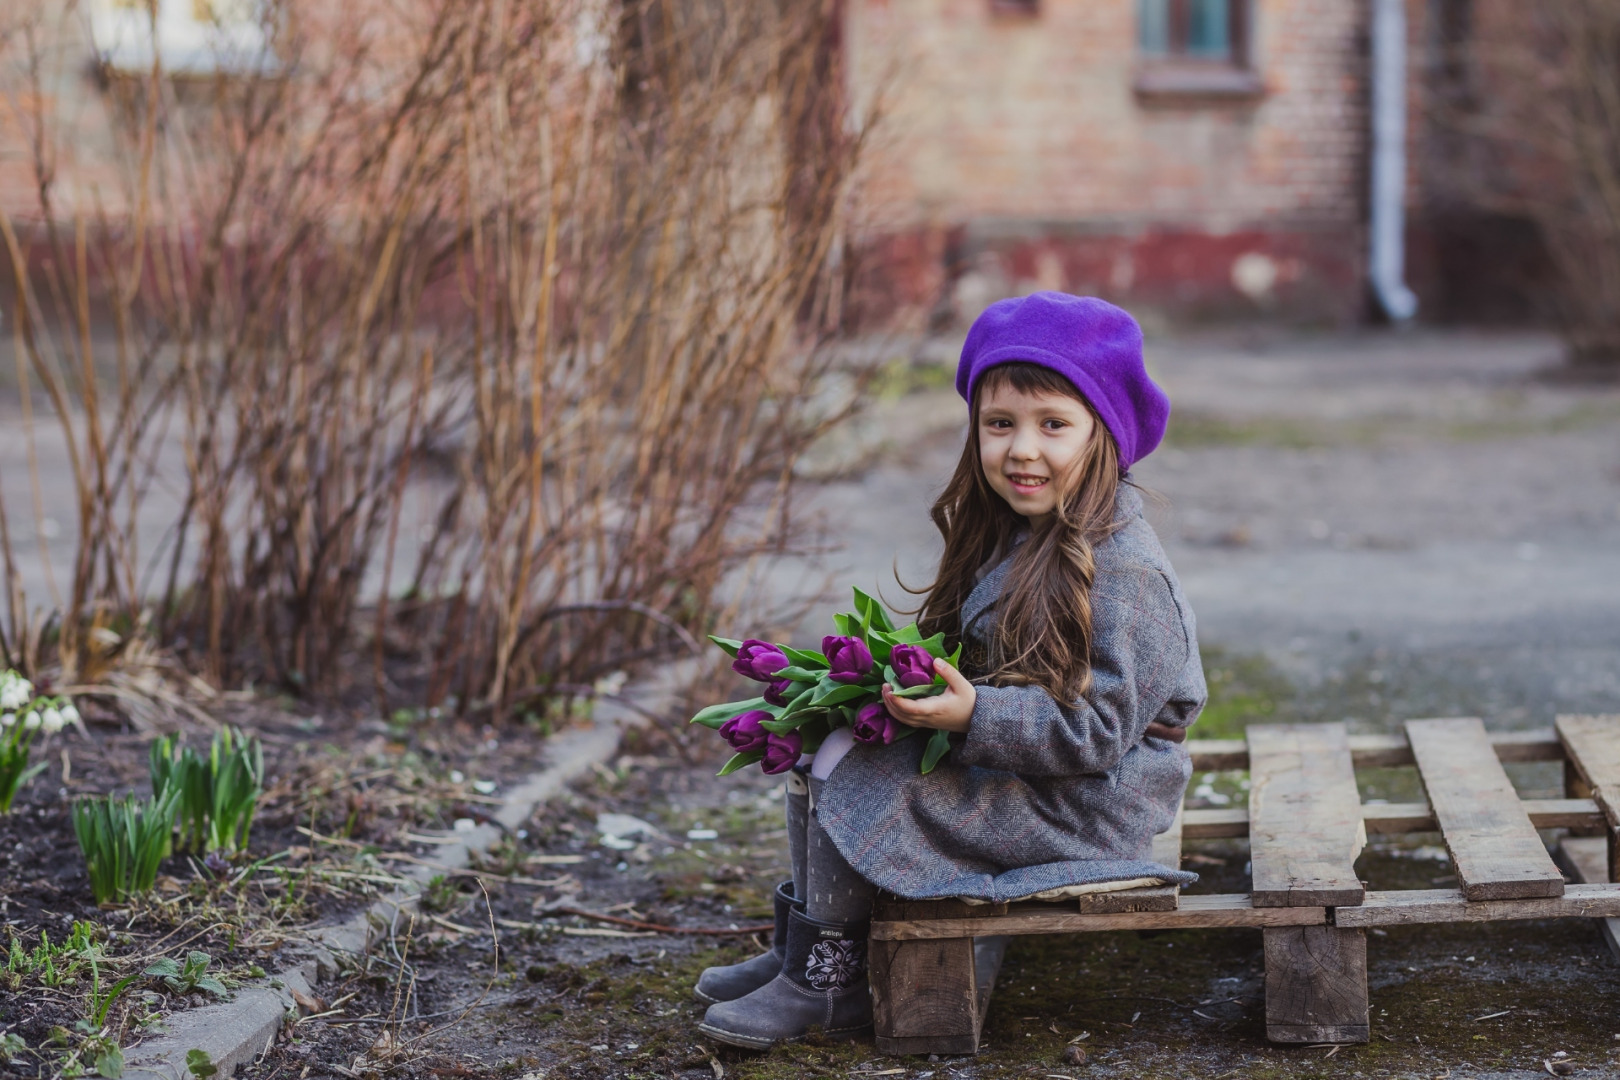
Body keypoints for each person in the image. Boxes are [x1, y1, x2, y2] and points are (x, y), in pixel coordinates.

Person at [693, 292, 1206, 1050]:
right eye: (1000, 424)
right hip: (1037, 771)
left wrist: (974, 717)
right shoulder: (1019, 533)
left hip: (1092, 800)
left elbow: (1097, 734)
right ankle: (800, 953)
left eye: (1053, 425)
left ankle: (830, 987)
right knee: (814, 743)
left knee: (853, 767)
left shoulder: (1126, 574)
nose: (1021, 450)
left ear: (1107, 435)